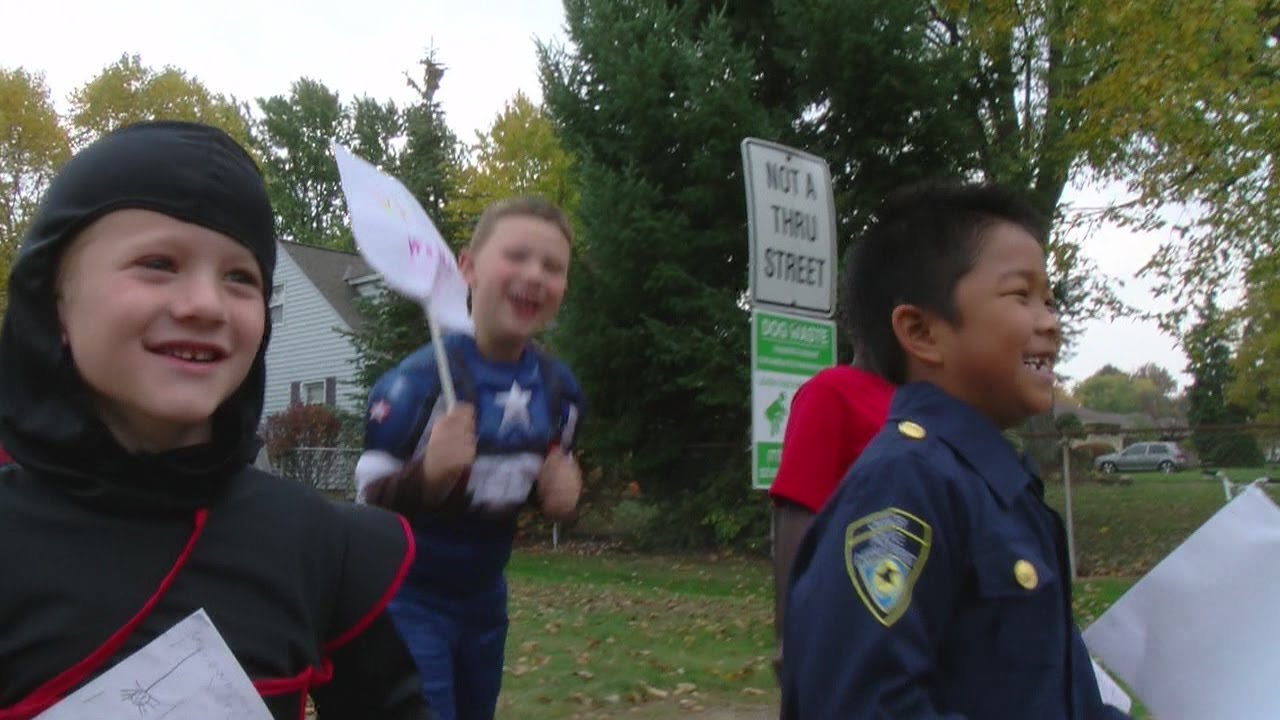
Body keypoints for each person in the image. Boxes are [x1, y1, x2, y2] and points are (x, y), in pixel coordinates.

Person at [0, 121, 429, 720]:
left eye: (240, 278)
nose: (205, 304)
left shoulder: (311, 541)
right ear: (55, 307)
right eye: (157, 262)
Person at [780, 182, 1129, 719]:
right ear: (921, 331)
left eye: (1050, 299)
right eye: (1021, 295)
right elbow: (863, 704)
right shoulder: (905, 485)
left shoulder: (1002, 489)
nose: (1051, 322)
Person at [356, 196, 584, 720]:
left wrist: (559, 497)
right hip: (406, 599)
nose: (534, 274)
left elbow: (525, 486)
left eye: (553, 267)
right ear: (468, 267)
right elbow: (364, 513)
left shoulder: (560, 392)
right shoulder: (415, 385)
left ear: (563, 288)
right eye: (518, 256)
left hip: (485, 600)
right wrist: (428, 478)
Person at [768, 243, 894, 687]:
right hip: (847, 615)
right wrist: (789, 634)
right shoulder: (832, 392)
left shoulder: (926, 402)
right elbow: (796, 510)